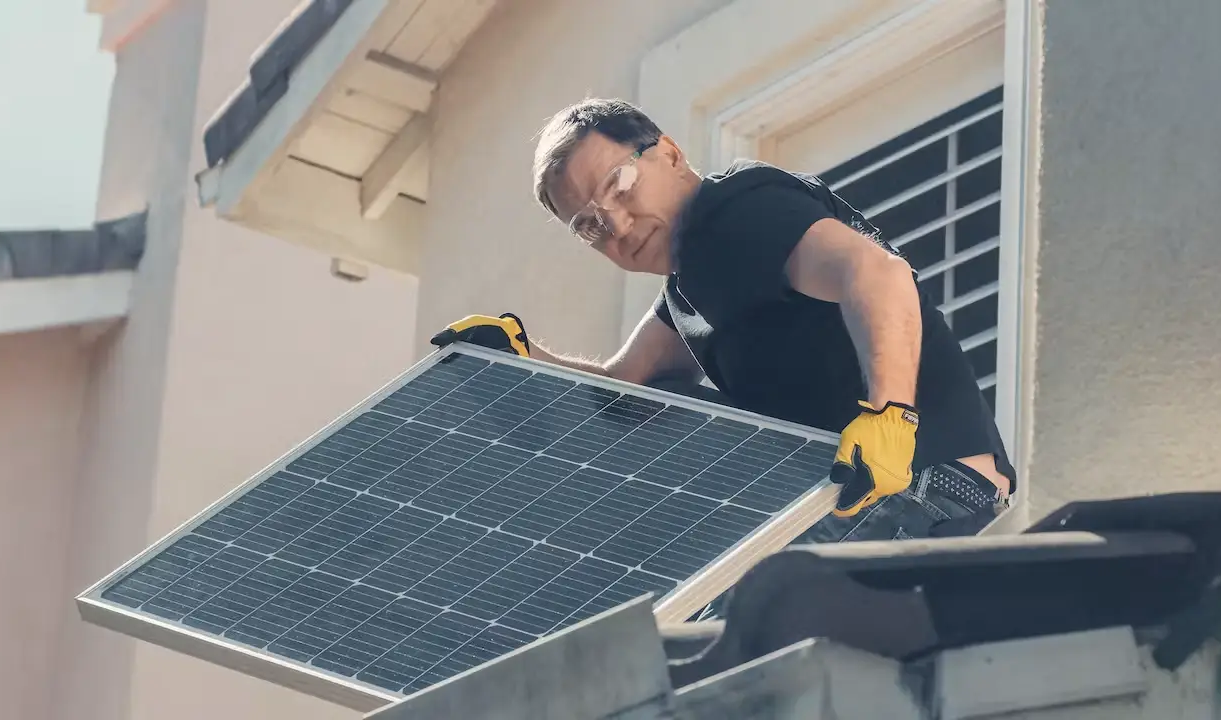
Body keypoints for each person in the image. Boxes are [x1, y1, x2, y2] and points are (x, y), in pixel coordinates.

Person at [430, 97, 1015, 551]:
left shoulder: (734, 211)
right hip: (878, 494)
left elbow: (876, 272)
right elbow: (624, 389)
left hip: (925, 482)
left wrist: (890, 418)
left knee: (728, 640)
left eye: (620, 185)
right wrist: (522, 355)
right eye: (589, 224)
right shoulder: (690, 286)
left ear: (671, 153)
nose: (618, 225)